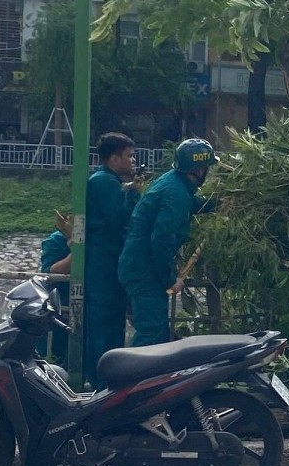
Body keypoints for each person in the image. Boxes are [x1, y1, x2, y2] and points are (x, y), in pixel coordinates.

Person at [119, 138, 219, 347]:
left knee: (156, 330)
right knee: (152, 331)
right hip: (145, 269)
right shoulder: (176, 193)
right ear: (199, 170)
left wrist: (218, 202)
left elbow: (193, 204)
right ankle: (134, 369)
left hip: (139, 265)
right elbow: (162, 239)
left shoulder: (174, 182)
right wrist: (170, 279)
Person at [84, 132, 140, 388]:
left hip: (106, 261)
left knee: (109, 324)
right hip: (104, 263)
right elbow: (120, 218)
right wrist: (134, 194)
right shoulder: (104, 182)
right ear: (114, 159)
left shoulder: (106, 181)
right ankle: (103, 384)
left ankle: (103, 381)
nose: (133, 161)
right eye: (129, 156)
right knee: (105, 326)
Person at [36, 215, 72, 361]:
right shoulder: (56, 240)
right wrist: (76, 253)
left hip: (92, 303)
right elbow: (50, 272)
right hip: (58, 304)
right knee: (53, 352)